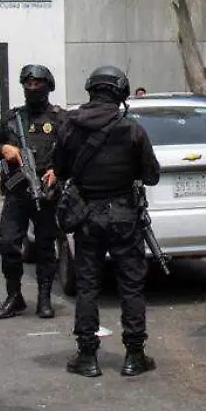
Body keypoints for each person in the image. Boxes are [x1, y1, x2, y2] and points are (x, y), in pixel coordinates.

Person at [54, 65, 161, 378]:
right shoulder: (132, 129)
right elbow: (152, 175)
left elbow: (60, 171)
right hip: (125, 218)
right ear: (121, 93)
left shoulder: (70, 127)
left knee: (87, 286)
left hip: (87, 218)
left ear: (91, 90)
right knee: (131, 286)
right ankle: (134, 356)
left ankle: (87, 357)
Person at [0, 64, 67, 320]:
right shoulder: (12, 119)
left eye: (37, 84)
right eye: (28, 85)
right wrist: (4, 150)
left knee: (45, 247)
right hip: (17, 192)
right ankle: (14, 296)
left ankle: (44, 297)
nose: (32, 89)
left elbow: (73, 152)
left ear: (47, 87)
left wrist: (58, 171)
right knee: (8, 243)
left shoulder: (59, 118)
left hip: (46, 193)